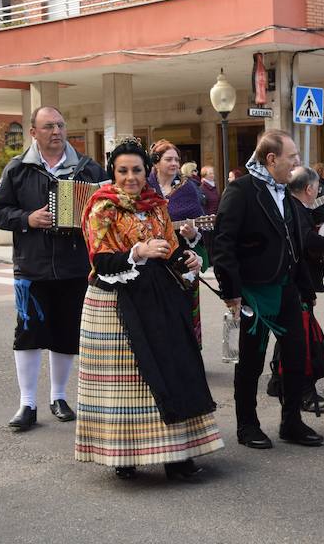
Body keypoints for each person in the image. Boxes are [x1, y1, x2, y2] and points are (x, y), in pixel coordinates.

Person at [75, 138, 222, 480]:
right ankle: (123, 457)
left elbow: (168, 248)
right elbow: (100, 259)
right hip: (115, 303)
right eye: (123, 170)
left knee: (174, 371)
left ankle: (178, 457)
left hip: (160, 298)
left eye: (136, 170)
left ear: (147, 171)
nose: (130, 177)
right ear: (113, 172)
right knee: (126, 385)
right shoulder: (102, 207)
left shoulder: (156, 206)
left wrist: (186, 257)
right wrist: (137, 252)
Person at [0, 106, 108, 431]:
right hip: (31, 267)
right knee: (28, 334)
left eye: (60, 125)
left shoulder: (87, 169)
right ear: (33, 132)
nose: (56, 131)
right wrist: (27, 219)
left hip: (73, 267)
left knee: (66, 333)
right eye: (49, 126)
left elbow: (108, 205)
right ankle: (27, 403)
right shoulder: (18, 169)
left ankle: (59, 396)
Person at [212, 129, 324, 449]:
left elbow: (294, 244)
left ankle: (291, 422)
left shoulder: (284, 192)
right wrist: (232, 292)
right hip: (253, 292)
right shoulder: (241, 190)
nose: (297, 165)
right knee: (250, 361)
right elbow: (224, 244)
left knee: (295, 356)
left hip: (286, 288)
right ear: (271, 159)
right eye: (292, 158)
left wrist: (305, 286)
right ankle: (247, 426)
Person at [283, 166, 324, 411]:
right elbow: (308, 241)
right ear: (309, 189)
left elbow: (317, 231)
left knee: (294, 339)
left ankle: (281, 384)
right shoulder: (294, 210)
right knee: (305, 342)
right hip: (295, 285)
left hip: (298, 284)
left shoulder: (297, 208)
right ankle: (305, 394)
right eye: (317, 187)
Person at [147, 140, 209, 347]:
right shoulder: (144, 186)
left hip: (180, 259)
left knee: (182, 312)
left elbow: (200, 228)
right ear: (156, 162)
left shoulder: (187, 189)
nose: (174, 163)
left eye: (177, 159)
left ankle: (185, 354)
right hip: (150, 260)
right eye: (168, 159)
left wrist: (192, 234)